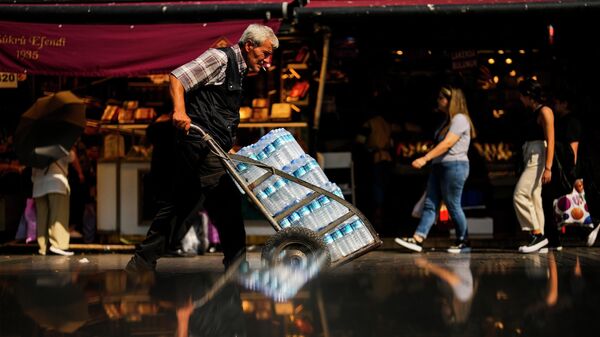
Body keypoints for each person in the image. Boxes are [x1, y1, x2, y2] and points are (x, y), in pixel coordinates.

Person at [127, 23, 278, 271]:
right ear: (249, 45)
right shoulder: (219, 59)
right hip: (199, 144)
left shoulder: (239, 71)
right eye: (265, 53)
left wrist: (228, 146)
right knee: (226, 203)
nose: (267, 61)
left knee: (181, 205)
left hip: (212, 145)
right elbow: (178, 77)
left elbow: (219, 111)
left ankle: (141, 263)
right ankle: (236, 266)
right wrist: (179, 110)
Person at [395, 86, 476, 253]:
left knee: (453, 204)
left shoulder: (460, 119)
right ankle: (418, 238)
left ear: (451, 100)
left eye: (441, 98)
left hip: (454, 165)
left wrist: (425, 158)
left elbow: (447, 143)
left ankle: (464, 240)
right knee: (430, 203)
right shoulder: (447, 121)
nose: (438, 101)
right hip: (439, 166)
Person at [513, 78, 555, 253]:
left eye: (521, 96)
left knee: (520, 195)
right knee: (534, 198)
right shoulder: (532, 112)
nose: (520, 100)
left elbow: (550, 140)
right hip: (530, 154)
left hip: (538, 156)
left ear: (528, 95)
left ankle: (537, 234)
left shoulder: (545, 111)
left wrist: (548, 167)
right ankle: (541, 238)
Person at [541, 91, 581, 250]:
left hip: (564, 170)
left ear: (565, 104)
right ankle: (553, 239)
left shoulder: (571, 122)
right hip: (561, 169)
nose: (555, 106)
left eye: (557, 102)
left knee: (551, 201)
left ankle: (591, 227)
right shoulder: (563, 121)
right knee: (551, 203)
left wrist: (573, 174)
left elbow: (573, 150)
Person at [32, 149, 76, 256]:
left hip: (38, 184)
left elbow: (32, 171)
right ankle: (58, 245)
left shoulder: (35, 147)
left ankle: (43, 247)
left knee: (42, 217)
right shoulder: (59, 145)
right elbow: (71, 157)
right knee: (58, 215)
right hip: (56, 182)